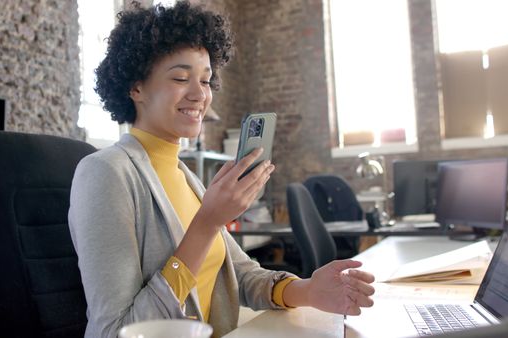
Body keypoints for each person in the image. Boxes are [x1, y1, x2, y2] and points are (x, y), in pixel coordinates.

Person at [68, 2, 375, 337]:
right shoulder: (104, 173)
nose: (200, 94)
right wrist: (208, 222)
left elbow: (240, 274)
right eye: (181, 78)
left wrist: (308, 291)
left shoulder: (186, 177)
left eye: (207, 80)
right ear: (136, 87)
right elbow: (116, 330)